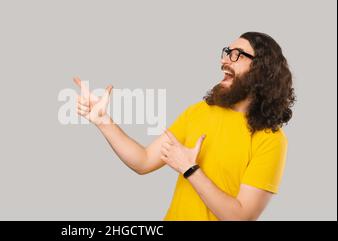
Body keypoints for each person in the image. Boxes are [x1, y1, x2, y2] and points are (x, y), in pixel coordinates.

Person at [73, 32, 295, 221]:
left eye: (236, 55)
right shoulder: (200, 111)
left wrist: (190, 170)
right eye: (227, 52)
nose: (225, 61)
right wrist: (103, 121)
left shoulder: (271, 139)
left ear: (262, 69)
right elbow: (143, 161)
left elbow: (241, 216)